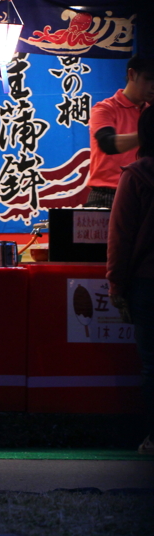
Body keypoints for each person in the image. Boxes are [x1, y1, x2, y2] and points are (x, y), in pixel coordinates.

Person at [107, 106, 154, 455]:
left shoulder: (137, 175)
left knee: (153, 364)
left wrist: (116, 285)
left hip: (148, 284)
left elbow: (120, 237)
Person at [84, 55, 154, 208]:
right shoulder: (105, 108)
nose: (152, 86)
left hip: (146, 191)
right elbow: (107, 143)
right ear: (131, 74)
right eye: (148, 79)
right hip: (107, 194)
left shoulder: (149, 111)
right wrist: (147, 134)